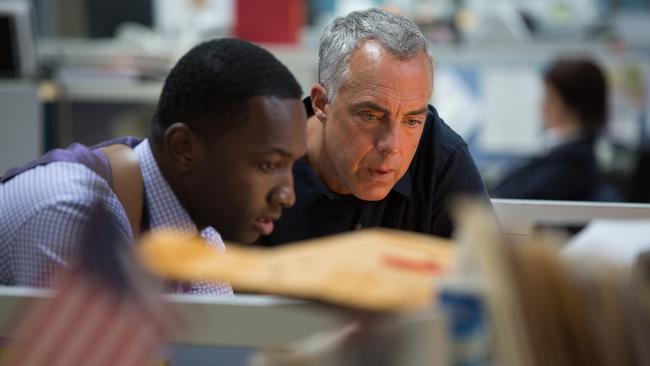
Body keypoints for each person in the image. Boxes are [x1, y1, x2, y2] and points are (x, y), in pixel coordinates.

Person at [0, 38, 307, 291]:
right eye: (268, 165)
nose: (287, 195)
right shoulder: (71, 211)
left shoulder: (198, 235)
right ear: (183, 147)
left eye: (291, 166)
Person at [257, 8, 488, 246]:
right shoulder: (256, 162)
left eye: (412, 121)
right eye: (371, 116)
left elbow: (487, 278)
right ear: (322, 103)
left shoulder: (442, 160)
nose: (392, 145)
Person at [492, 57, 609, 201]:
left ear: (573, 106)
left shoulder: (572, 164)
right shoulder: (559, 149)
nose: (542, 106)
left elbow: (519, 199)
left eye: (550, 97)